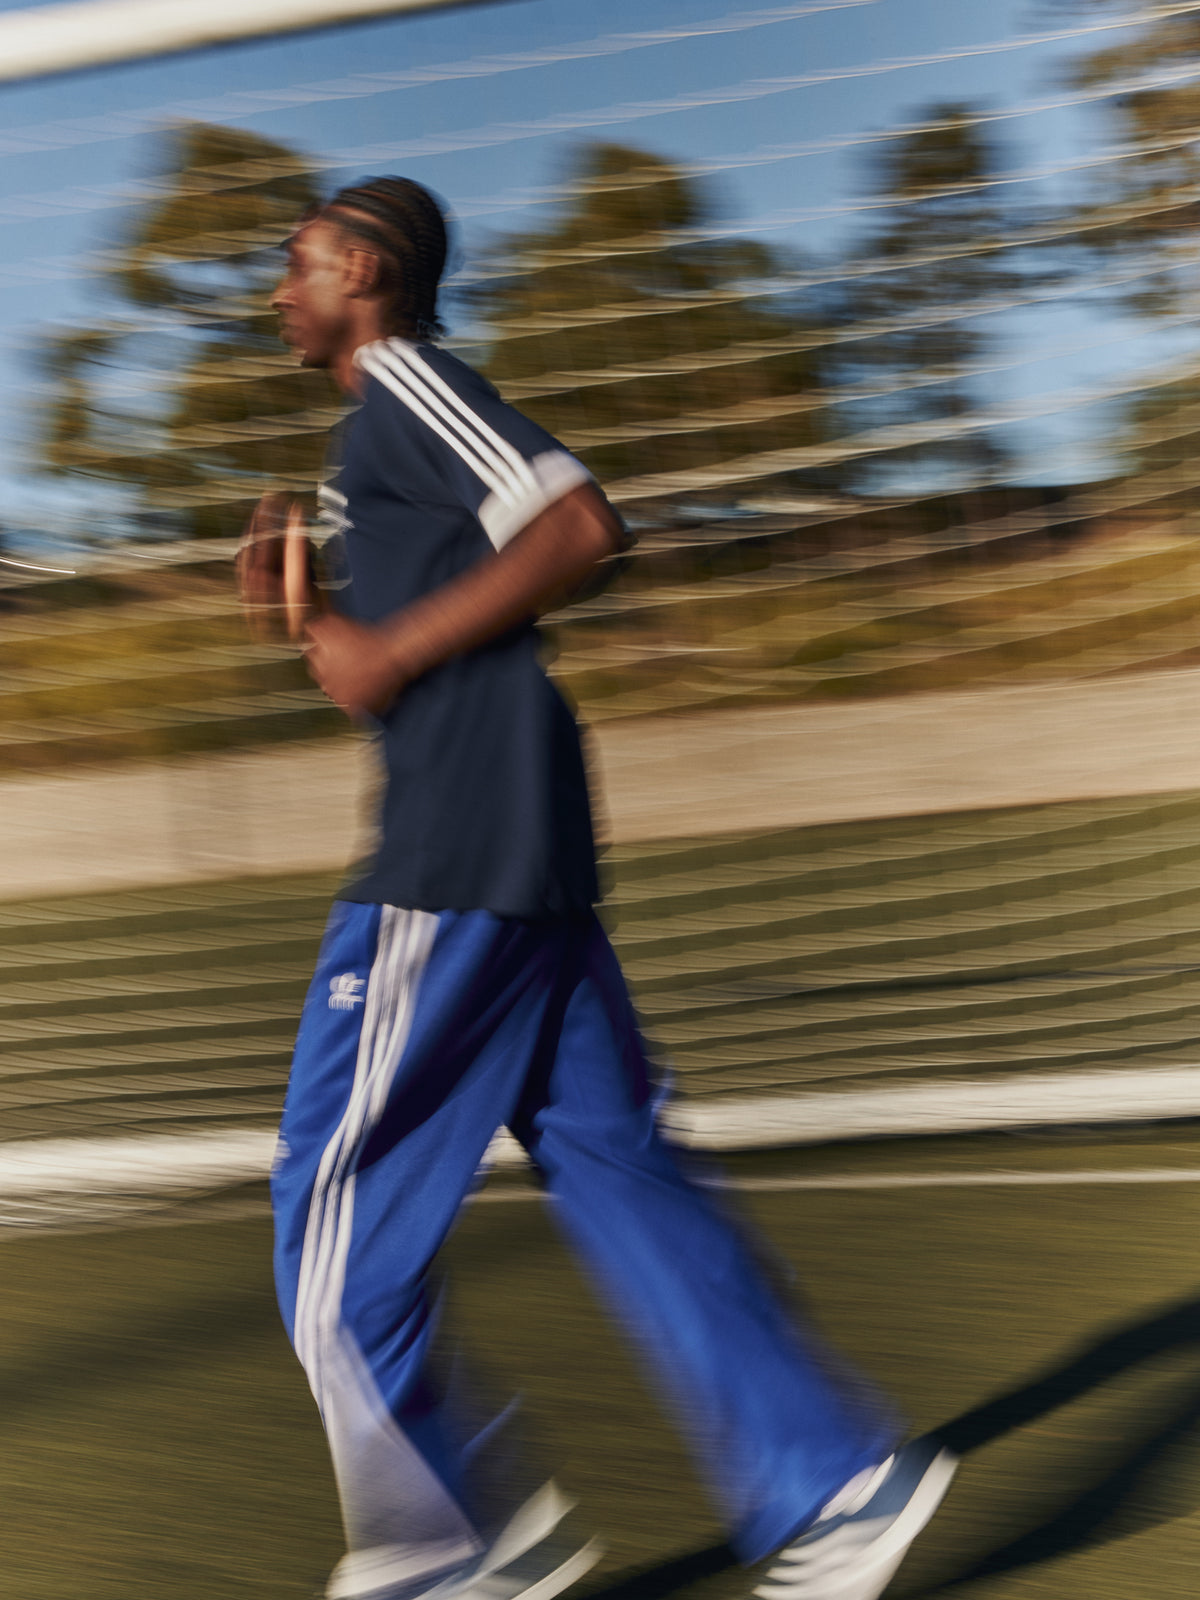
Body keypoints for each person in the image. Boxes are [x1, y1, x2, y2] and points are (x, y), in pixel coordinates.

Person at [239, 176, 956, 1600]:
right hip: (525, 856)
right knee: (623, 1175)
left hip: (452, 868)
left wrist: (384, 655)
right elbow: (436, 668)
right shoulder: (367, 439)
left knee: (326, 1223)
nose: (279, 289)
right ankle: (839, 1484)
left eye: (299, 262)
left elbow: (575, 524)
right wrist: (322, 628)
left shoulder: (412, 386)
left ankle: (458, 1544)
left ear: (367, 272)